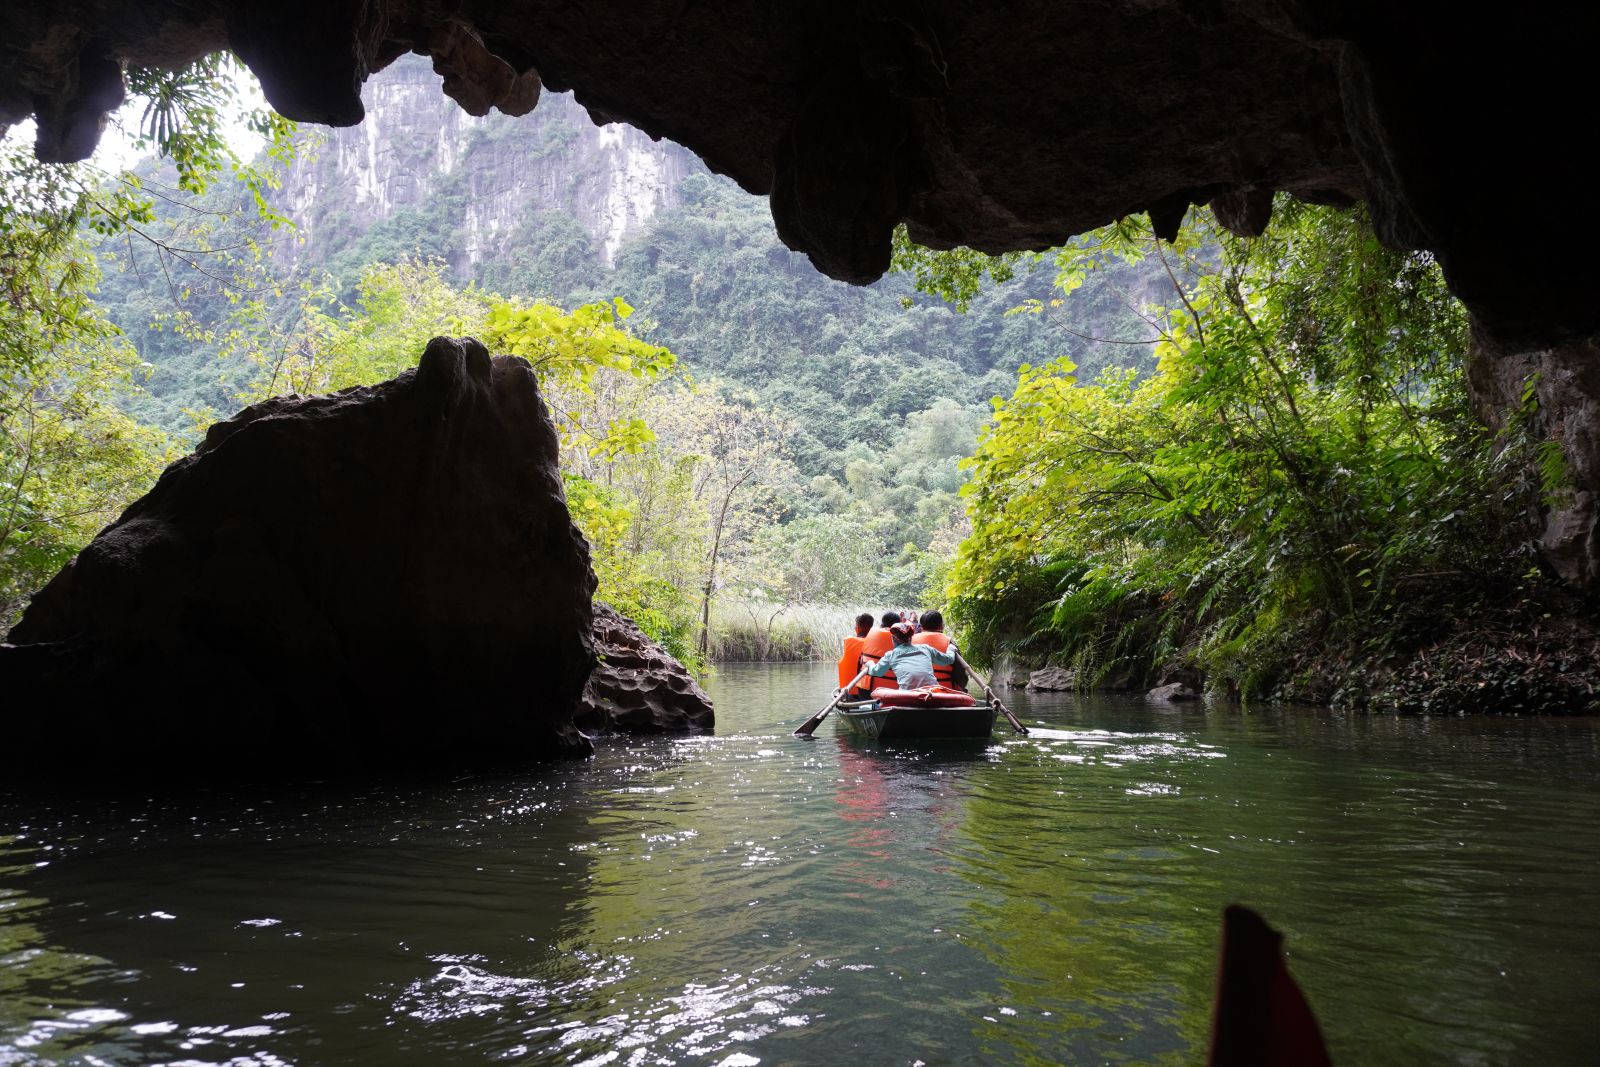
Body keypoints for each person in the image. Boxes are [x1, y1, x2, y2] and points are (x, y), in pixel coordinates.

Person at [867, 622, 956, 691]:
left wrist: (870, 664)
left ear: (893, 639)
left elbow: (876, 672)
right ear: (911, 638)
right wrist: (951, 649)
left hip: (908, 696)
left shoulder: (891, 655)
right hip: (933, 692)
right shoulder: (925, 649)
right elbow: (949, 660)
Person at [850, 612, 902, 696]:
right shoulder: (902, 638)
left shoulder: (871, 634)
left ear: (882, 624)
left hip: (865, 689)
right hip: (892, 691)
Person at [911, 609, 965, 688]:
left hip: (915, 691)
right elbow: (961, 676)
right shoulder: (950, 643)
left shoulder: (909, 641)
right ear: (941, 626)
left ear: (921, 627)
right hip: (944, 690)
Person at [836, 612, 874, 688]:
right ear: (871, 629)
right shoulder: (875, 644)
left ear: (858, 628)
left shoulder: (849, 643)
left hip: (849, 692)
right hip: (867, 691)